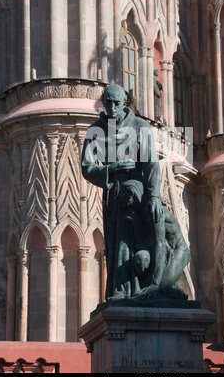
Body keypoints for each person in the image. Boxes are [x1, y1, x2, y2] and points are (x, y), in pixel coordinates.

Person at [81, 84, 189, 300]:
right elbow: (87, 167)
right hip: (114, 193)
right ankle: (120, 290)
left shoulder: (140, 127)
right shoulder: (95, 130)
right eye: (108, 103)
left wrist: (154, 196)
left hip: (139, 191)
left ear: (125, 102)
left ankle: (153, 286)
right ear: (103, 102)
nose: (112, 108)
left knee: (141, 237)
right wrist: (110, 169)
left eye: (117, 103)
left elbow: (150, 165)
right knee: (118, 240)